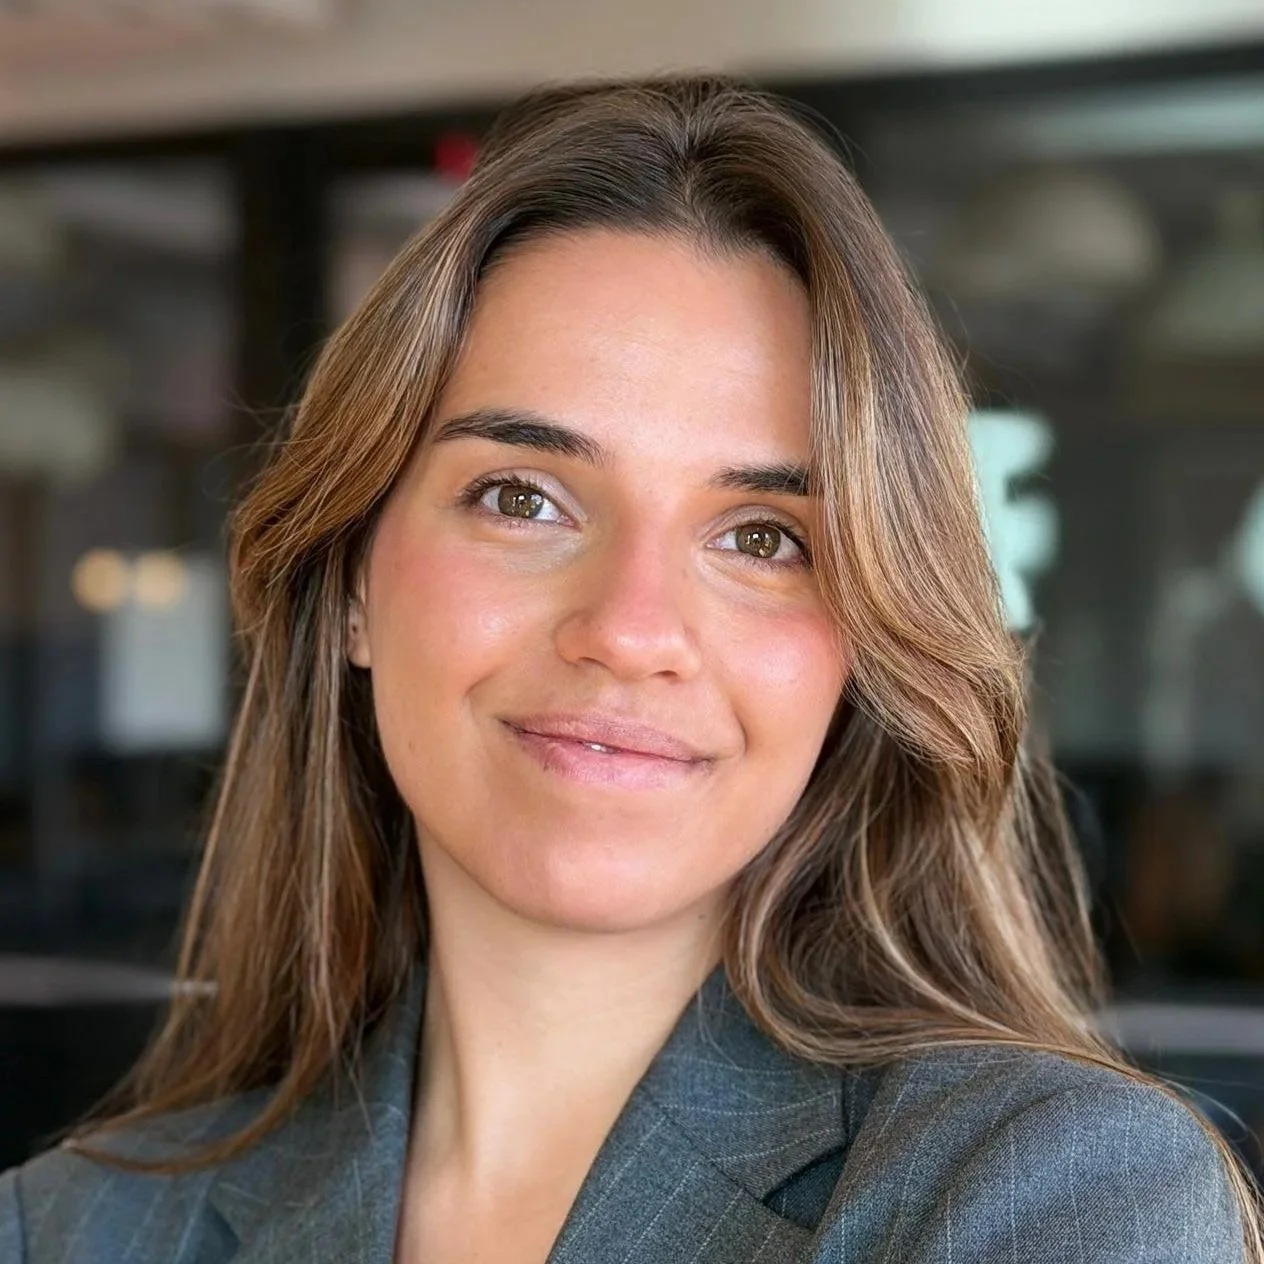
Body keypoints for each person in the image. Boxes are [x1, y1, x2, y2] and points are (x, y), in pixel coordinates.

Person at [1, 75, 1258, 1264]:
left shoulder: (1050, 1192)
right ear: (353, 587)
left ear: (866, 645)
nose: (629, 628)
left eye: (763, 538)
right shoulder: (66, 1229)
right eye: (522, 497)